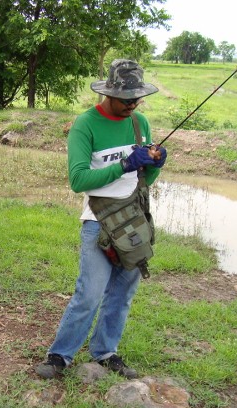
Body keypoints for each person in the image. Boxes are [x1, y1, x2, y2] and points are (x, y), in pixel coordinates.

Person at [35, 59, 167, 380]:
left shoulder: (140, 123)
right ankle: (59, 356)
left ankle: (105, 351)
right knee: (90, 292)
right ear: (109, 94)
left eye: (137, 99)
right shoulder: (86, 124)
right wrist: (124, 164)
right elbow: (78, 180)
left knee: (122, 293)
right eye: (126, 100)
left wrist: (156, 163)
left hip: (134, 220)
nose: (132, 105)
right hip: (99, 219)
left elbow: (144, 179)